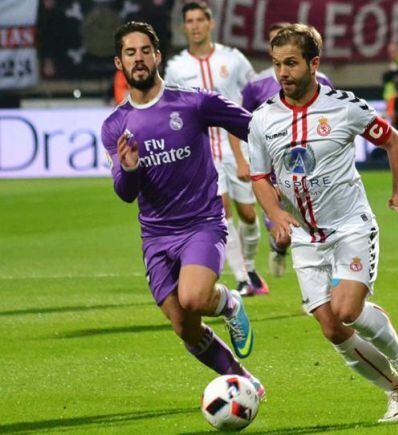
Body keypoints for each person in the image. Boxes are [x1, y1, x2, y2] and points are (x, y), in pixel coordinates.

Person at [247, 24, 398, 423]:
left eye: (291, 63)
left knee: (348, 309)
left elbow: (394, 142)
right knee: (332, 329)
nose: (283, 73)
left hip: (350, 225)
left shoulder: (344, 107)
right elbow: (259, 176)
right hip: (305, 238)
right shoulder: (262, 120)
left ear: (314, 63)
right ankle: (397, 393)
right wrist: (276, 214)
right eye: (277, 64)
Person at [101, 21, 264, 397]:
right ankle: (243, 379)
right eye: (130, 53)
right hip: (156, 235)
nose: (138, 59)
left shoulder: (193, 102)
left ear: (158, 56)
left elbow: (251, 127)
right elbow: (125, 194)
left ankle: (229, 300)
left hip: (202, 223)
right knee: (184, 326)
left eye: (145, 51)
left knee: (194, 298)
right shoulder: (115, 126)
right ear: (119, 62)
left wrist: (273, 165)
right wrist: (128, 168)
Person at [164, 1, 268, 297]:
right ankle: (242, 277)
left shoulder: (232, 59)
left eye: (200, 20)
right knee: (221, 211)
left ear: (210, 24)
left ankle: (249, 266)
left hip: (235, 143)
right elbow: (170, 107)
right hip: (202, 149)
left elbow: (254, 90)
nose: (195, 26)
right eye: (190, 21)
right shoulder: (175, 67)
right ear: (184, 27)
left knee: (248, 213)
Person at [241, 21, 334, 278]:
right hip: (273, 171)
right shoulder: (256, 85)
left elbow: (331, 121)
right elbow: (241, 124)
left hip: (310, 166)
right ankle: (279, 247)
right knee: (283, 234)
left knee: (316, 230)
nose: (282, 66)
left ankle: (317, 293)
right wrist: (242, 159)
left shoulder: (321, 80)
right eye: (276, 58)